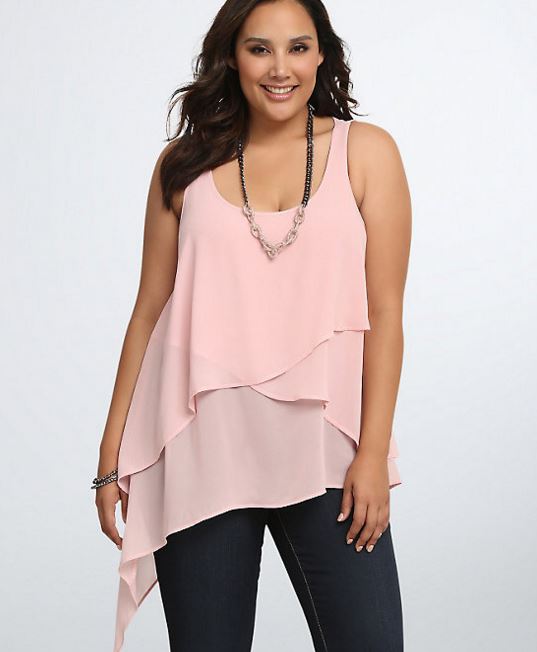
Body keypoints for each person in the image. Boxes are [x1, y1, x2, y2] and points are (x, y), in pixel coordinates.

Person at [93, 0, 412, 650]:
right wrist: (111, 453)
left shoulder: (366, 152)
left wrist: (373, 453)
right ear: (231, 57)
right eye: (259, 48)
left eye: (298, 47)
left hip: (325, 451)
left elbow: (385, 314)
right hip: (201, 450)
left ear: (322, 55)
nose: (279, 68)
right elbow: (149, 308)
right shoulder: (184, 163)